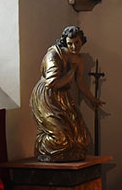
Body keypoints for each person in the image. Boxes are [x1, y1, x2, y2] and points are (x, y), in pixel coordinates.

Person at [31, 25, 104, 162]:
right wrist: (71, 72)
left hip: (63, 96)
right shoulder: (54, 55)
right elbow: (53, 83)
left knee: (80, 137)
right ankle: (43, 149)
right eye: (70, 43)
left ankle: (67, 155)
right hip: (47, 97)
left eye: (77, 42)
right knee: (60, 137)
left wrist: (92, 98)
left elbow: (80, 81)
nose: (74, 47)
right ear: (65, 42)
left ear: (82, 40)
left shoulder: (78, 59)